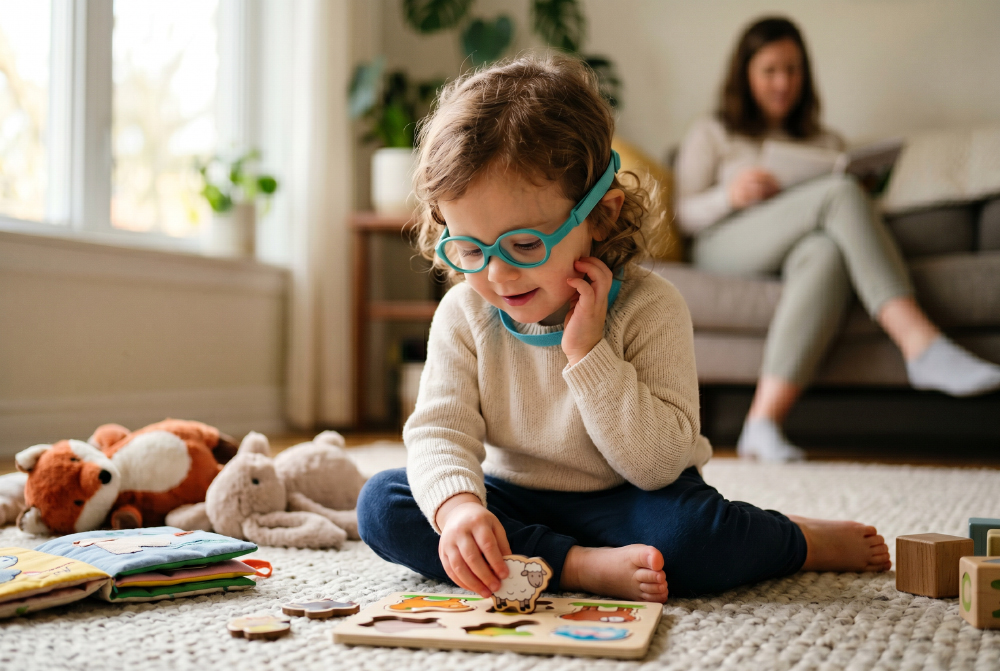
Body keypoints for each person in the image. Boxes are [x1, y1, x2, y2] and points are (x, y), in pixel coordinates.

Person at [356, 53, 891, 602]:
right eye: (470, 248)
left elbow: (658, 465)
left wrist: (588, 357)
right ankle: (576, 566)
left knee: (693, 539)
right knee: (383, 505)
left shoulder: (651, 307)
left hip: (631, 497)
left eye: (524, 244)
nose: (496, 273)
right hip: (512, 497)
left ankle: (796, 539)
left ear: (601, 217)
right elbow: (439, 432)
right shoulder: (465, 312)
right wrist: (460, 511)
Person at [676, 17, 1000, 463]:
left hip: (799, 247)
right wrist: (729, 195)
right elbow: (681, 213)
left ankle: (762, 423)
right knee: (838, 194)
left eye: (792, 69)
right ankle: (920, 343)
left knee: (827, 252)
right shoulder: (714, 131)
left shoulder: (824, 140)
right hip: (725, 244)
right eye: (770, 70)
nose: (783, 82)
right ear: (745, 74)